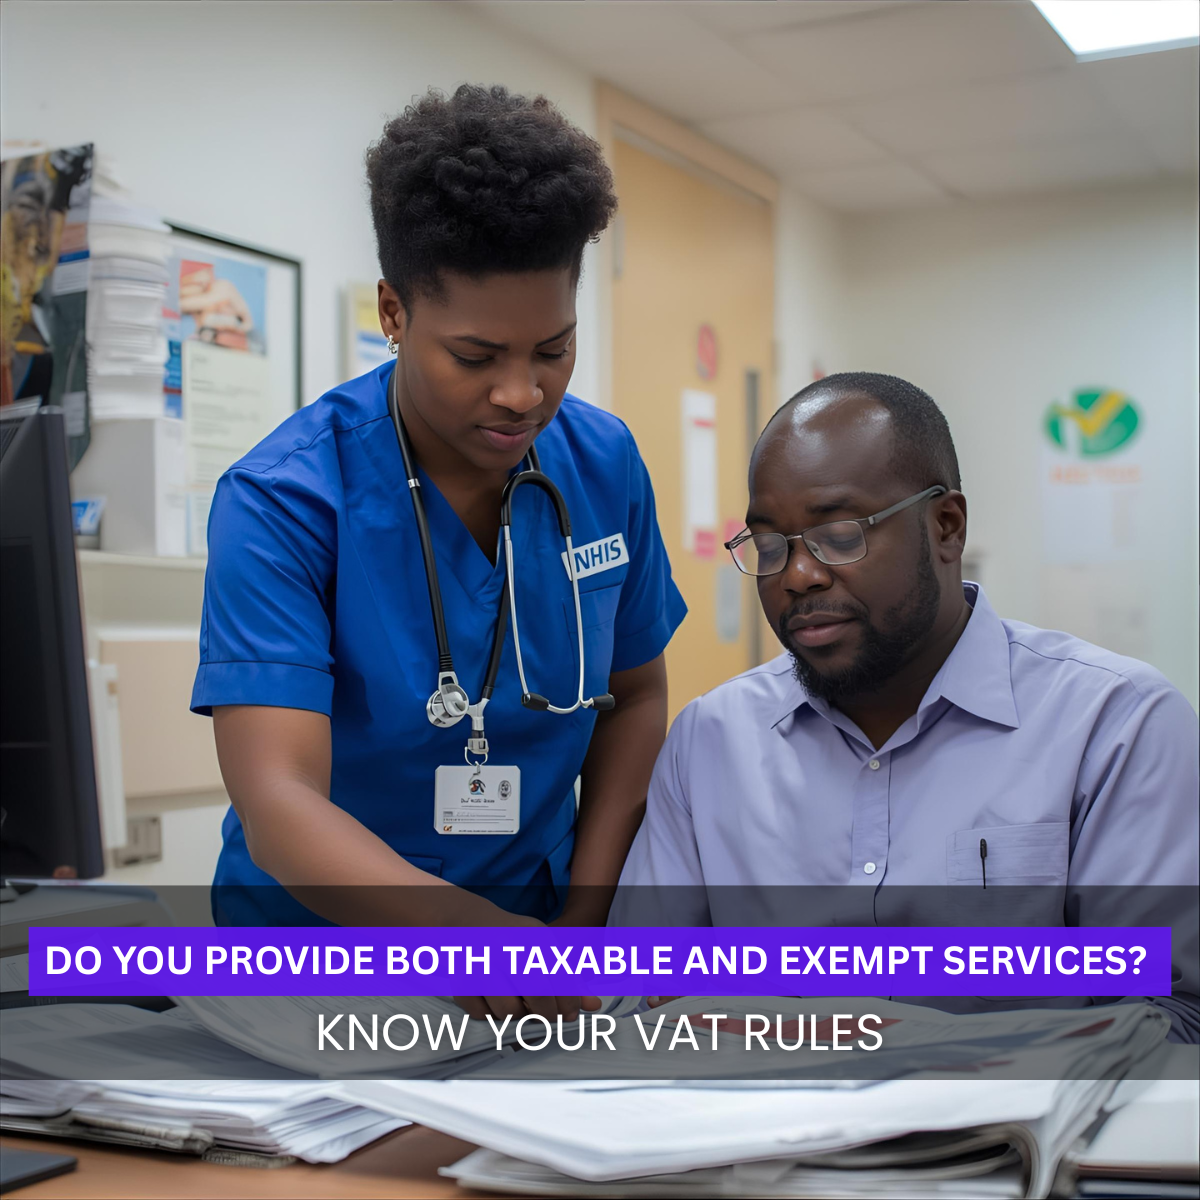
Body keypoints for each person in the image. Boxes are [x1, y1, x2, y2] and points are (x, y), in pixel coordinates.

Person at [191, 85, 686, 1021]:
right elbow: (279, 799)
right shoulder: (285, 500)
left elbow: (638, 695)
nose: (520, 393)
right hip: (315, 967)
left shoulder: (603, 462)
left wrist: (581, 931)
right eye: (475, 354)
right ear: (393, 310)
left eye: (554, 349)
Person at [616, 371, 1198, 1040]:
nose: (798, 575)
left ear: (945, 527)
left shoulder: (1114, 725)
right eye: (771, 547)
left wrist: (900, 1043)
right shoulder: (711, 741)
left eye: (840, 536)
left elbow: (1171, 1021)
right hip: (754, 1140)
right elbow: (635, 1004)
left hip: (1015, 1140)